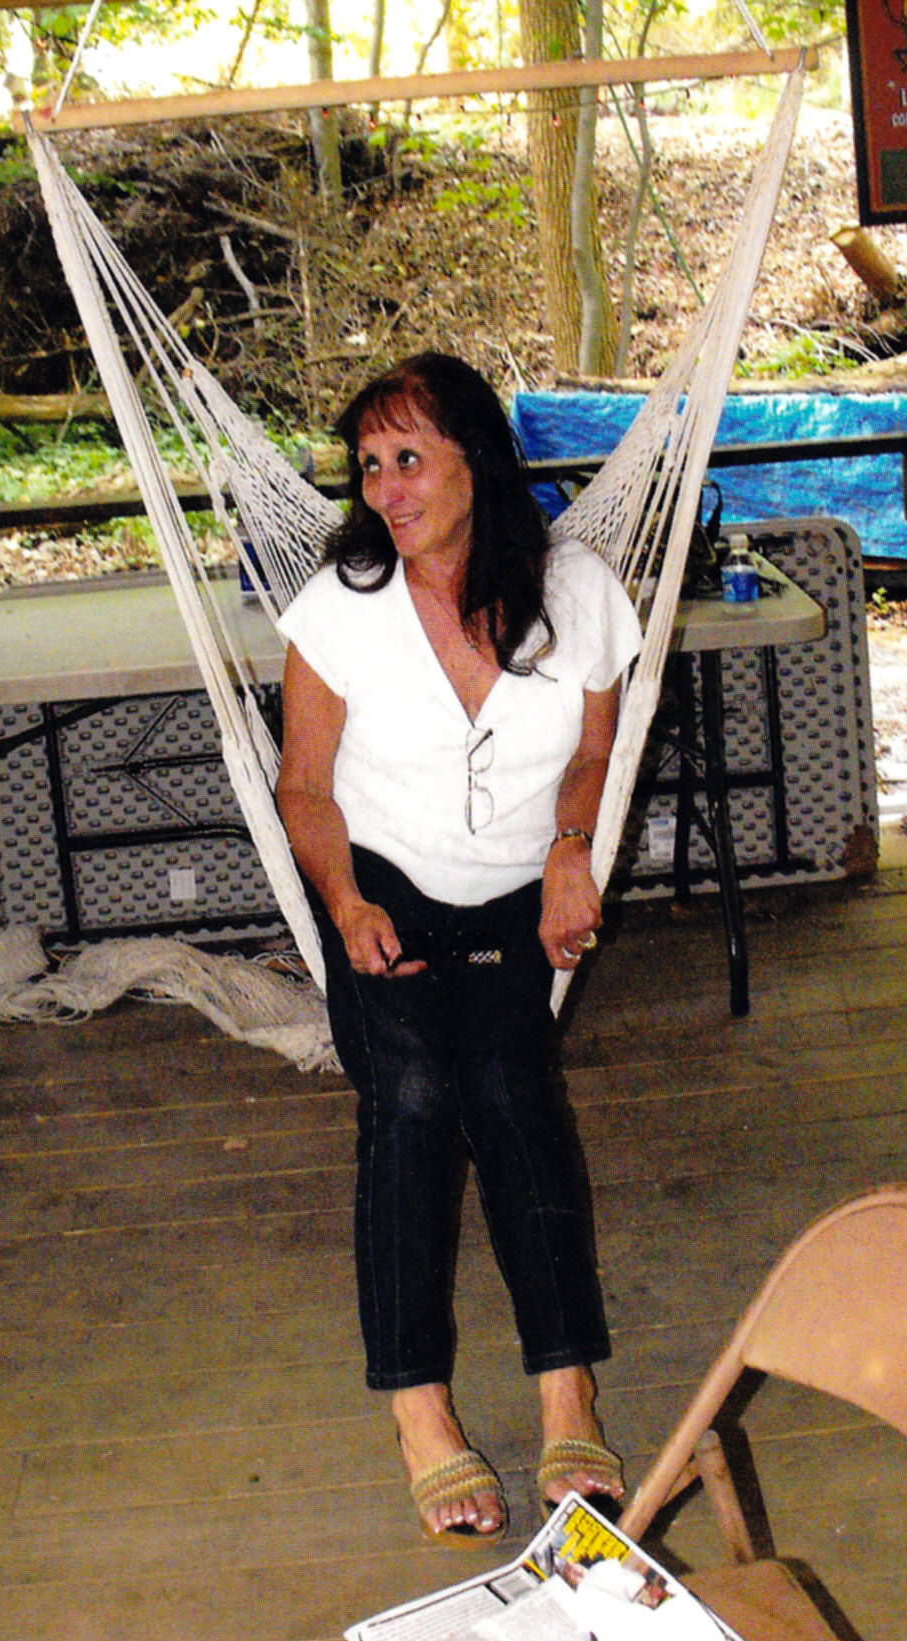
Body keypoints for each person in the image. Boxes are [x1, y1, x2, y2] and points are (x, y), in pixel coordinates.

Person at [275, 352, 641, 1545]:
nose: (385, 488)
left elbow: (596, 752)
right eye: (368, 466)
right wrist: (344, 906)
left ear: (476, 460)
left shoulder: (576, 588)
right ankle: (420, 1411)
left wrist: (572, 854)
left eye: (409, 459)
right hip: (379, 877)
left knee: (512, 1091)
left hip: (520, 890)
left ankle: (567, 1394)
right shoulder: (341, 607)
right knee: (416, 1098)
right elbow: (303, 786)